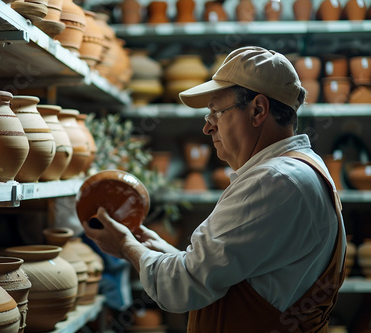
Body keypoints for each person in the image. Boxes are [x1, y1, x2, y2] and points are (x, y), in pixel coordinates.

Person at [81, 46, 346, 332]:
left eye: (217, 111)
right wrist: (149, 244)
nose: (208, 127)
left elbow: (181, 288)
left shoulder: (275, 180)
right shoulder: (301, 169)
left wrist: (125, 246)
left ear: (258, 110)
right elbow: (212, 275)